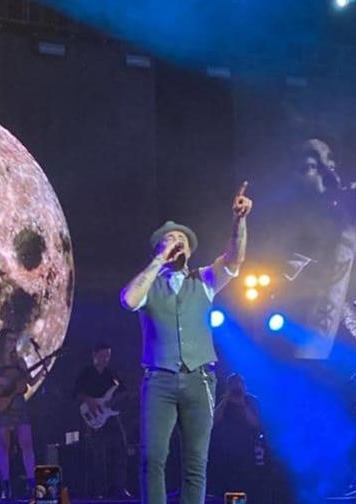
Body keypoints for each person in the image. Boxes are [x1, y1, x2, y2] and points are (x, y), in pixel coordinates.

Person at [120, 183, 253, 504]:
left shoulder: (204, 279)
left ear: (192, 251)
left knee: (196, 463)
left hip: (199, 379)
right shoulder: (149, 284)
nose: (178, 243)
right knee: (153, 458)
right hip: (159, 379)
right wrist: (158, 261)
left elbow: (235, 258)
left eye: (183, 240)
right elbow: (128, 300)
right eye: (171, 240)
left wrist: (239, 221)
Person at [282, 138, 356, 358]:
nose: (332, 178)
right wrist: (347, 239)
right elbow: (312, 351)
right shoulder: (281, 261)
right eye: (311, 167)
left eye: (332, 167)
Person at [0, 328, 52, 500]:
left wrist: (43, 369)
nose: (12, 343)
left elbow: (30, 382)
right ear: (1, 341)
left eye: (14, 340)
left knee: (27, 443)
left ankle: (32, 485)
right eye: (9, 339)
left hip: (19, 404)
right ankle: (5, 486)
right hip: (2, 406)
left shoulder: (20, 362)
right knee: (4, 446)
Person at [74, 342, 132, 498]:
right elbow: (76, 393)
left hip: (111, 416)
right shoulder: (86, 373)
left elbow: (123, 391)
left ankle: (119, 487)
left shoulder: (112, 373)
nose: (105, 359)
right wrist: (89, 400)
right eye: (103, 355)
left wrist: (120, 398)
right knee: (98, 454)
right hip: (94, 417)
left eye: (108, 355)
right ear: (95, 354)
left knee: (120, 448)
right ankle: (99, 490)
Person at [210, 374, 263, 497]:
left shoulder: (252, 401)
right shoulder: (222, 401)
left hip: (248, 455)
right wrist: (226, 400)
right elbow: (212, 421)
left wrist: (242, 403)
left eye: (239, 384)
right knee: (230, 492)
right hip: (225, 456)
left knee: (249, 489)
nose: (236, 388)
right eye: (232, 384)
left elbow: (256, 424)